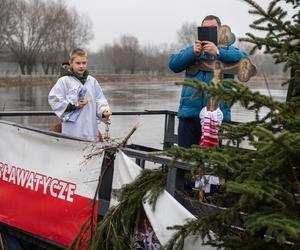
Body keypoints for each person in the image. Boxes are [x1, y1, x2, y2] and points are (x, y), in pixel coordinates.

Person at [168, 15, 248, 148]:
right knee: (184, 160)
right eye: (204, 28)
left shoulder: (229, 50)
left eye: (212, 28)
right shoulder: (193, 50)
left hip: (216, 118)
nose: (208, 31)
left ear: (220, 31)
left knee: (211, 163)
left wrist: (217, 51)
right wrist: (193, 53)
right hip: (189, 115)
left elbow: (245, 59)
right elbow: (173, 64)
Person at [48, 48, 111, 141]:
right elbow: (54, 100)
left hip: (91, 129)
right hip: (72, 130)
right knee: (72, 149)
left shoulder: (92, 81)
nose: (81, 66)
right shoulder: (64, 81)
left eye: (84, 63)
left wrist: (104, 111)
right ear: (71, 63)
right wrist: (74, 105)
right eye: (78, 63)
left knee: (90, 152)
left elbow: (100, 100)